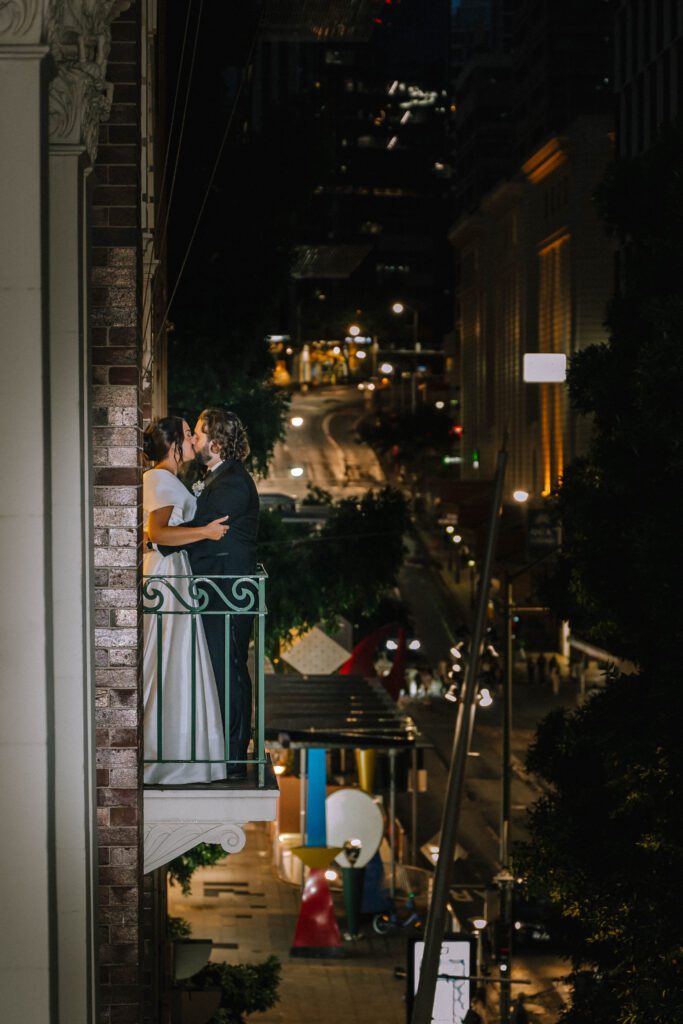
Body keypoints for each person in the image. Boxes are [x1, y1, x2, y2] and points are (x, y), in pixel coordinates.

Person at [158, 408, 259, 779]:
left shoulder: (232, 483)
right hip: (215, 589)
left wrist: (162, 544)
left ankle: (233, 756)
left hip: (227, 592)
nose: (195, 440)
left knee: (228, 670)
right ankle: (219, 747)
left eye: (199, 434)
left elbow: (201, 528)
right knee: (219, 668)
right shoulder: (219, 478)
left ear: (215, 443)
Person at [143, 417, 230, 784]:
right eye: (188, 434)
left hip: (174, 571)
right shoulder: (159, 479)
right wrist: (206, 533)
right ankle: (160, 755)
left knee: (177, 658)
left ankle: (177, 751)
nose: (195, 439)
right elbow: (158, 531)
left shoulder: (167, 480)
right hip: (165, 576)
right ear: (174, 443)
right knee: (166, 655)